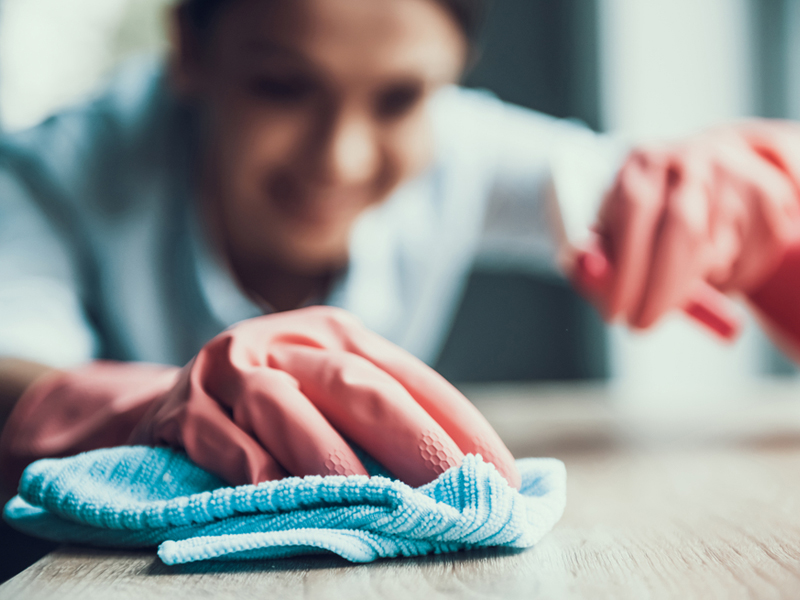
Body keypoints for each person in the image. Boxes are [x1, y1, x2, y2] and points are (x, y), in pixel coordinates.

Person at [1, 0, 799, 493]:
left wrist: (757, 222)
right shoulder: (53, 172)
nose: (339, 157)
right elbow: (10, 377)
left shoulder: (459, 147)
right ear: (192, 52)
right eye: (282, 87)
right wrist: (159, 410)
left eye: (401, 98)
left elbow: (653, 198)